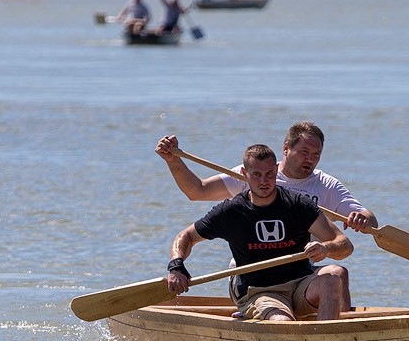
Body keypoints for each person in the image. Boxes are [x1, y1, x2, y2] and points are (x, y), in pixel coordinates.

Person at [156, 122, 378, 310]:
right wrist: (173, 160)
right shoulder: (253, 173)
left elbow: (367, 220)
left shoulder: (326, 185)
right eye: (304, 152)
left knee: (338, 275)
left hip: (300, 272)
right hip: (252, 275)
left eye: (316, 154)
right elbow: (197, 191)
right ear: (285, 149)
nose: (309, 159)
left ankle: (345, 329)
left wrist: (363, 218)